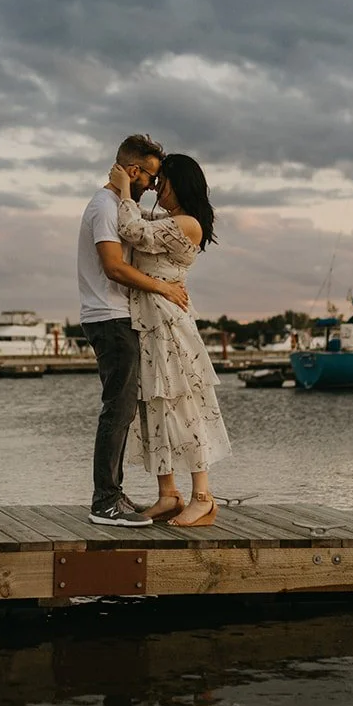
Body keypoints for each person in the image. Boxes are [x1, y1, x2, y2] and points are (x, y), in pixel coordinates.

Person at [109, 153, 228, 527]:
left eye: (164, 181)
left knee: (183, 407)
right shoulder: (168, 219)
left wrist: (126, 187)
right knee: (154, 408)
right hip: (149, 322)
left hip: (169, 326)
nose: (157, 186)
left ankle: (203, 498)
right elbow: (137, 221)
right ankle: (168, 494)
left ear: (182, 183)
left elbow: (132, 230)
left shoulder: (188, 224)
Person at [79, 134, 190, 527]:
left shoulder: (120, 207)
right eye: (150, 177)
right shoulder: (105, 207)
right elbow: (113, 266)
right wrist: (164, 288)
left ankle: (113, 494)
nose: (153, 186)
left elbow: (162, 232)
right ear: (132, 171)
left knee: (122, 410)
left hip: (119, 316)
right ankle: (104, 502)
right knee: (117, 410)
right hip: (109, 317)